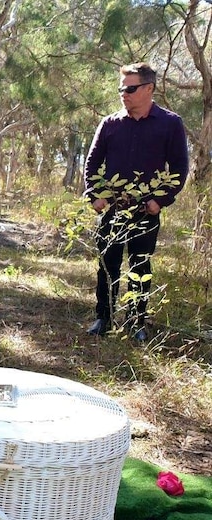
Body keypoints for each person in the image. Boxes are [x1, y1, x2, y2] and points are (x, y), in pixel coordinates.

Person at [83, 62, 189, 342]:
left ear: (149, 88)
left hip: (146, 211)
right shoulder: (109, 123)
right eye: (121, 88)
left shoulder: (170, 123)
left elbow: (179, 167)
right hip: (112, 211)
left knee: (140, 265)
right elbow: (92, 164)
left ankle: (135, 322)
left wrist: (160, 201)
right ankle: (103, 318)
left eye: (130, 88)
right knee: (108, 264)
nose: (124, 94)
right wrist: (96, 196)